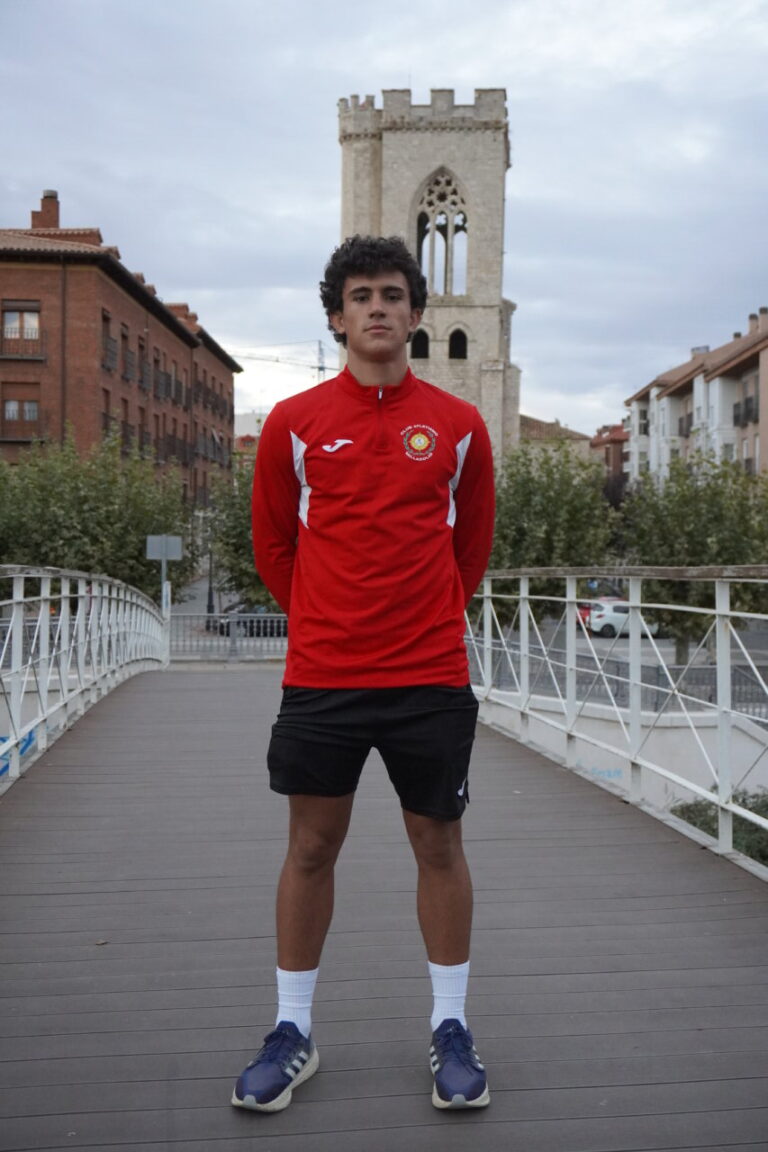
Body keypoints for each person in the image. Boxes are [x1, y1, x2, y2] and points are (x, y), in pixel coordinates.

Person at [231, 235, 495, 1114]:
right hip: (324, 678)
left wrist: (418, 618)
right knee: (311, 847)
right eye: (360, 296)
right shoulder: (293, 424)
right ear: (337, 316)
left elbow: (470, 550)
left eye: (392, 294)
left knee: (439, 845)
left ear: (416, 316)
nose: (377, 308)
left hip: (429, 677)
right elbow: (274, 544)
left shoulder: (459, 427)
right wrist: (325, 616)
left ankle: (451, 1029)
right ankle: (292, 1030)